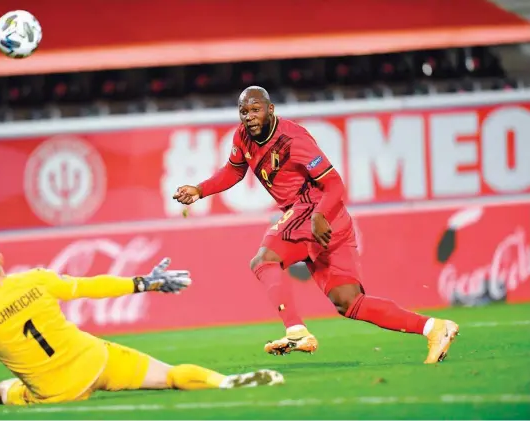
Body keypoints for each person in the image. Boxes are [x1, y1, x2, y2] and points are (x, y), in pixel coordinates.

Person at [173, 86, 459, 364]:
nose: (249, 116)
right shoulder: (243, 137)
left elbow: (334, 184)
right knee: (349, 302)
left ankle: (296, 331)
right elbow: (234, 170)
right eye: (243, 111)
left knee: (263, 260)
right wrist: (199, 190)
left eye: (255, 109)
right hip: (328, 221)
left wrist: (319, 214)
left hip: (314, 210)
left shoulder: (293, 140)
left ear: (271, 110)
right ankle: (433, 327)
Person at [0, 234, 283, 408]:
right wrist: (143, 282)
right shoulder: (35, 279)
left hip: (53, 391)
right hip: (95, 359)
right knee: (168, 375)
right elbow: (89, 286)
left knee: (2, 391)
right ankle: (223, 381)